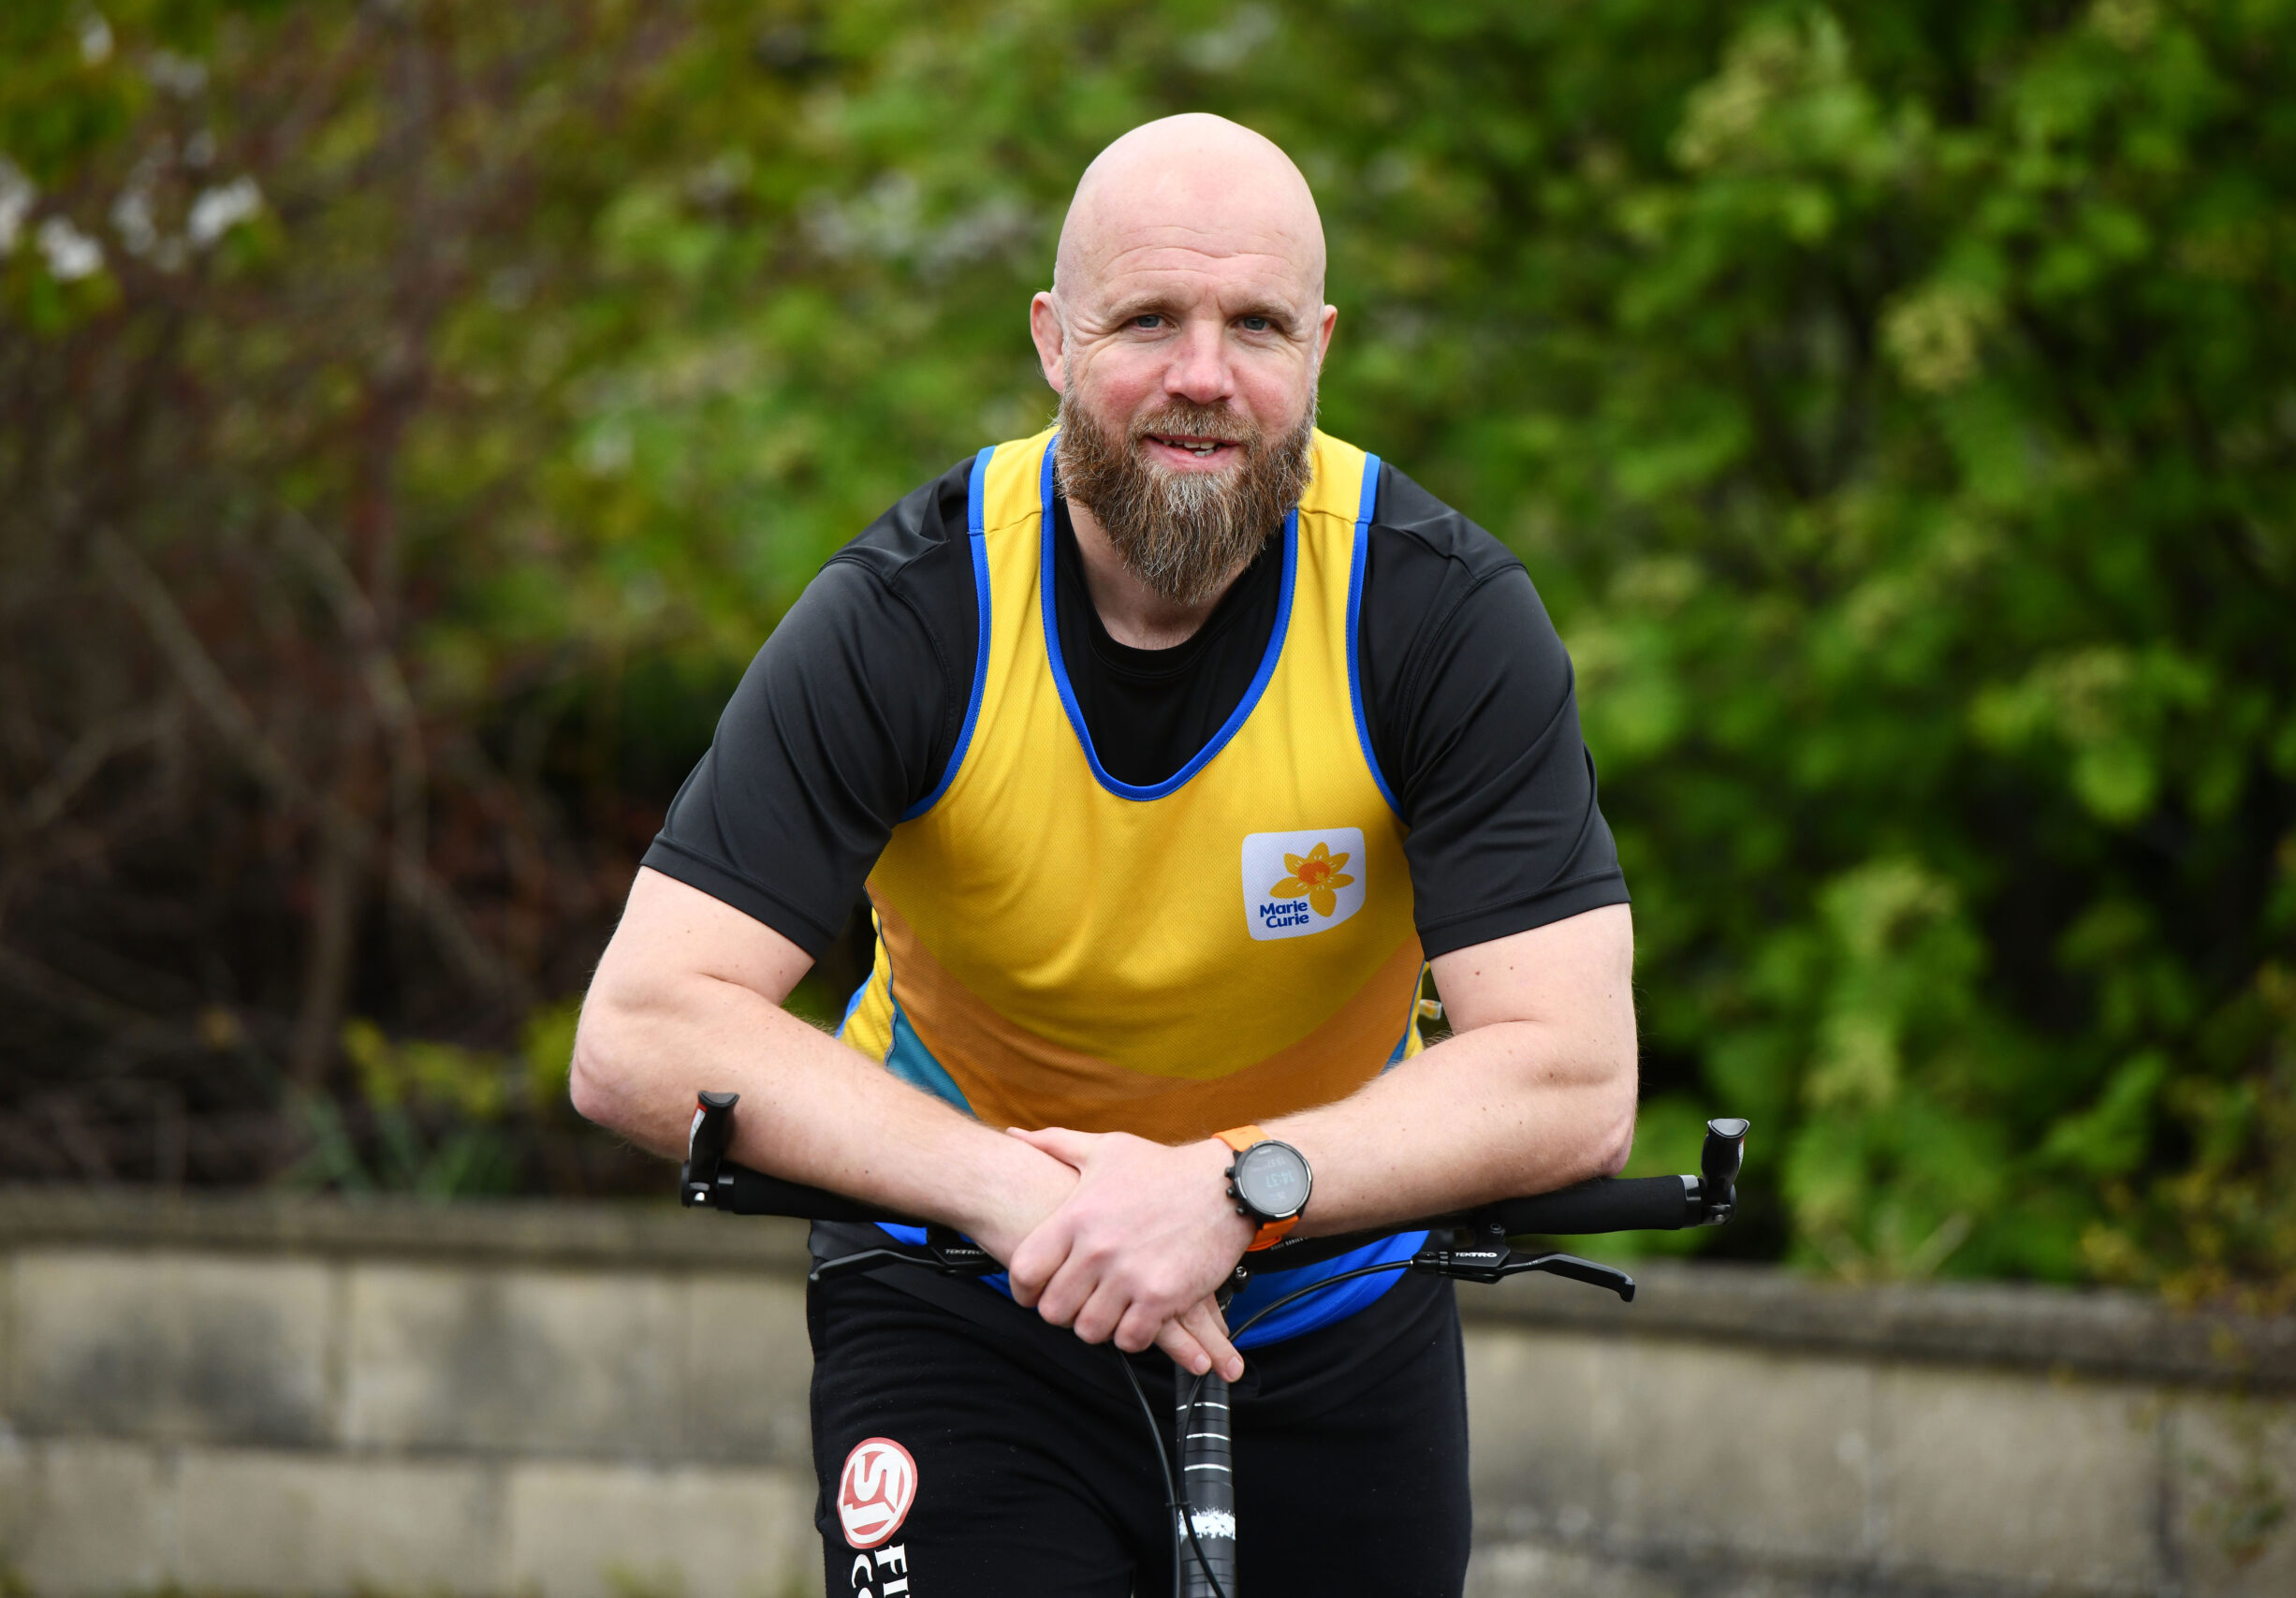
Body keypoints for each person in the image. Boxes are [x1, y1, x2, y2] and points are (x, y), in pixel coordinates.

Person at [570, 112, 1637, 1598]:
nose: (1204, 376)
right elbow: (638, 1030)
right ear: (1053, 342)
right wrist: (1024, 1202)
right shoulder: (912, 609)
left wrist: (1231, 1190)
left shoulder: (1436, 611)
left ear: (1319, 350)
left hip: (1327, 1301)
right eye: (1148, 319)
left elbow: (1576, 1075)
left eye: (1255, 325)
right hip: (968, 1296)